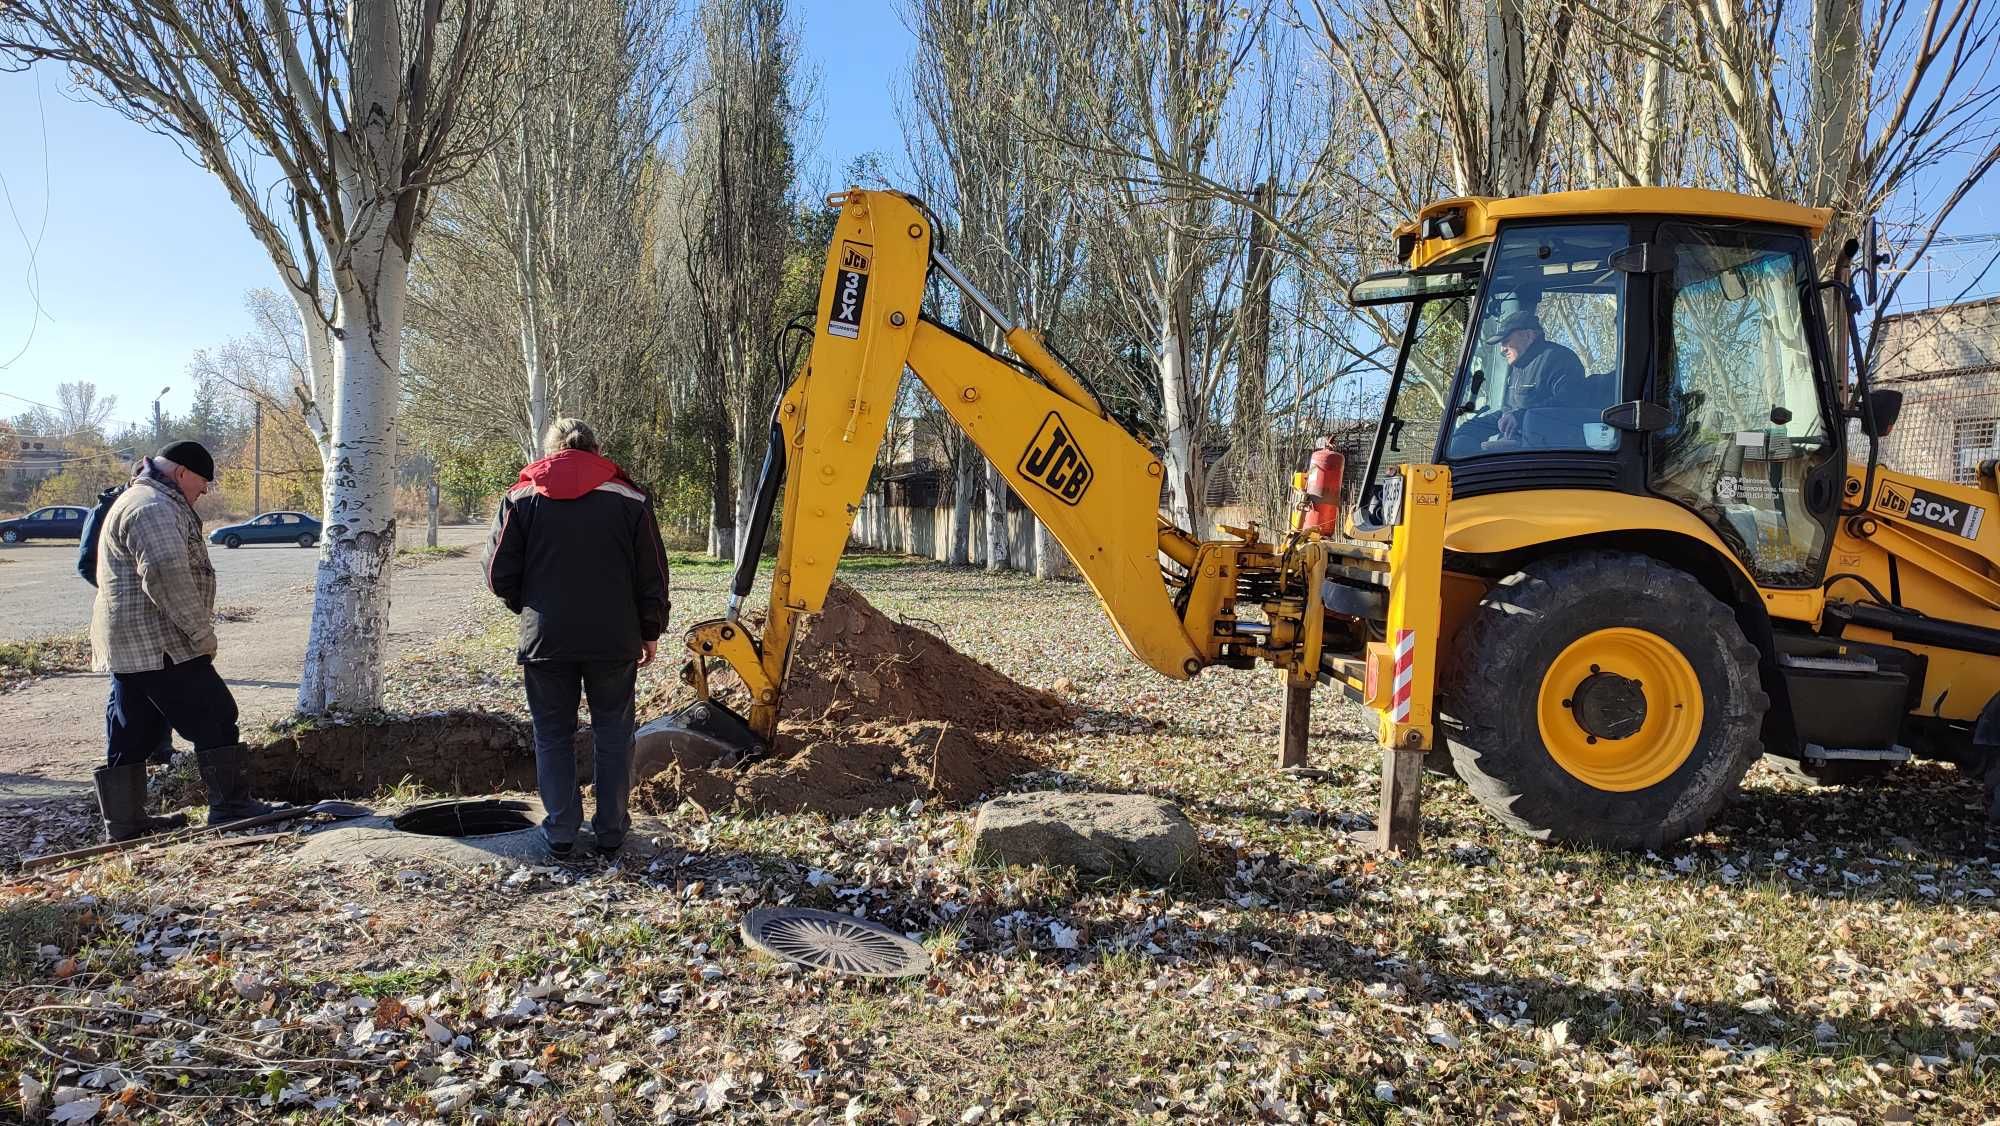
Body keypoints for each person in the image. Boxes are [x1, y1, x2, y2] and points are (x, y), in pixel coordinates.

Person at [485, 419, 669, 858]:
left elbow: (497, 574)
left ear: (549, 450)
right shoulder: (631, 499)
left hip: (546, 638)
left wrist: (530, 607)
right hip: (614, 639)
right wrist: (649, 631)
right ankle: (610, 832)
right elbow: (653, 576)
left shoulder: (520, 497)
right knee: (613, 731)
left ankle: (562, 830)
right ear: (596, 449)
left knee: (552, 734)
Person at [90, 441, 273, 842]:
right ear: (182, 473)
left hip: (131, 643)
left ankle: (124, 826)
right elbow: (165, 576)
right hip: (161, 642)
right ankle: (231, 807)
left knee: (132, 729)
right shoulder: (152, 507)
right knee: (216, 715)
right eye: (202, 483)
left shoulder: (142, 498)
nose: (204, 492)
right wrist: (200, 634)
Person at [1490, 310, 1588, 441]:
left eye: (1507, 340)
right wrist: (1469, 429)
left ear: (1529, 335)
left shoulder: (1558, 358)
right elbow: (1507, 410)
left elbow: (1569, 401)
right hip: (1517, 448)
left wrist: (1521, 417)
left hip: (1548, 452)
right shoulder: (1516, 369)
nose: (1502, 349)